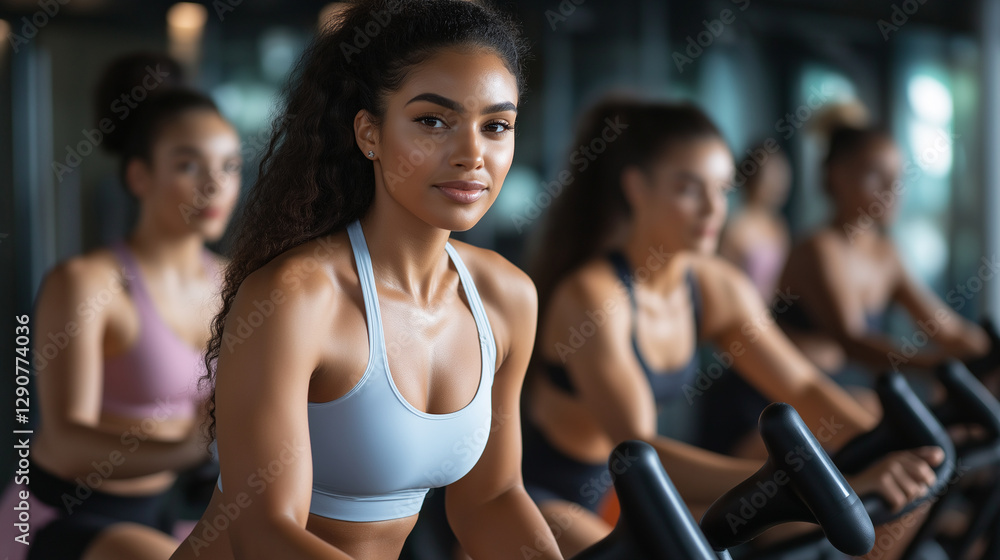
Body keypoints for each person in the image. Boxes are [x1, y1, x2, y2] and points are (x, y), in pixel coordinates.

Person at [169, 1, 564, 559]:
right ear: (369, 133)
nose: (473, 154)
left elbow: (491, 499)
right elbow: (263, 533)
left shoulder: (507, 297)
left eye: (496, 126)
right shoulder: (296, 298)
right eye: (433, 121)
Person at [522, 96, 943, 559]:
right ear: (636, 188)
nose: (712, 210)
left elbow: (802, 384)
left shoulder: (711, 284)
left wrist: (876, 444)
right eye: (688, 188)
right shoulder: (593, 298)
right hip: (549, 498)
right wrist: (803, 480)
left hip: (628, 496)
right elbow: (640, 451)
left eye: (722, 190)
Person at [8, 56, 242, 559]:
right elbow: (66, 443)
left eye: (229, 166)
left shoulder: (235, 283)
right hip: (67, 517)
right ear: (138, 176)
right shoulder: (86, 283)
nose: (214, 185)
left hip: (169, 509)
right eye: (187, 165)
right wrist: (197, 446)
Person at [775, 125, 991, 381]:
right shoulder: (818, 249)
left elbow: (946, 329)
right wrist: (936, 366)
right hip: (776, 400)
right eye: (876, 174)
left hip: (835, 393)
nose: (892, 188)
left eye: (897, 177)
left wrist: (985, 350)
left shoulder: (887, 255)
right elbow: (853, 341)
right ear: (836, 175)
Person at [719, 141, 792, 301]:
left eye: (781, 175)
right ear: (752, 177)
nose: (778, 183)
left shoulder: (777, 224)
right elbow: (724, 286)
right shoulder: (735, 228)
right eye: (771, 176)